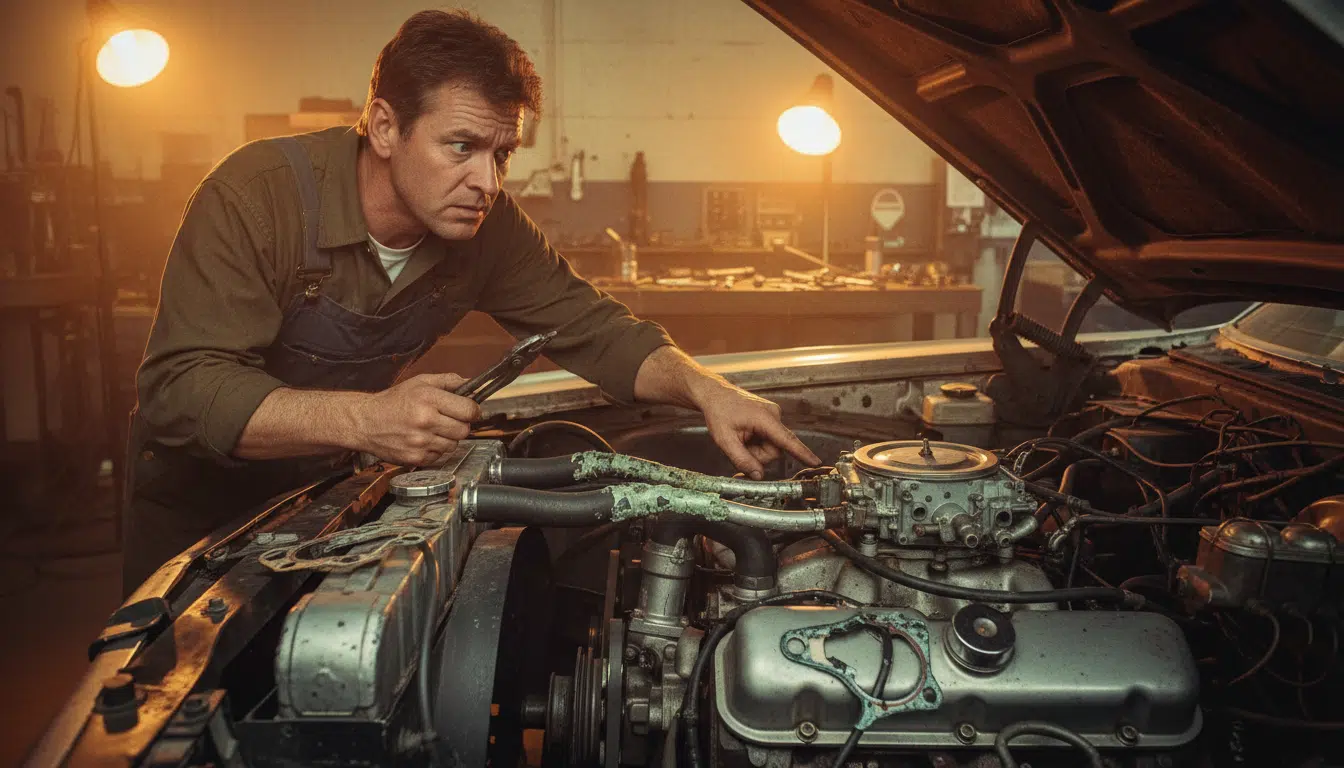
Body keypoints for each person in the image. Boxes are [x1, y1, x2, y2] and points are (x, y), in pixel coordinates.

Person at [123, 9, 820, 593]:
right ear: (386, 127)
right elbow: (182, 391)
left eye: (502, 154)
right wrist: (367, 419)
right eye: (461, 146)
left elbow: (598, 330)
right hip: (198, 513)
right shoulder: (257, 195)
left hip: (324, 498)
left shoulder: (487, 231)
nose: (485, 181)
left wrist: (706, 389)